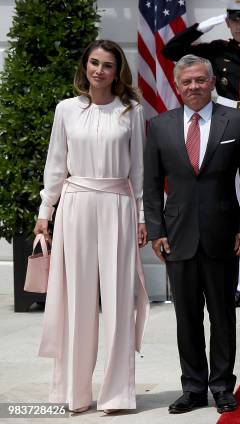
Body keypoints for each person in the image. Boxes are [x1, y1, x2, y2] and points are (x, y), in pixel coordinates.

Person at [33, 39, 149, 413]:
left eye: (108, 65)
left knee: (118, 300)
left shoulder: (131, 112)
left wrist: (142, 215)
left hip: (118, 203)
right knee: (76, 299)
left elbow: (139, 171)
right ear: (85, 66)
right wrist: (44, 212)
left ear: (118, 72)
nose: (99, 70)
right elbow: (56, 163)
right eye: (94, 63)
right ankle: (74, 392)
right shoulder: (66, 109)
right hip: (76, 203)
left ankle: (117, 393)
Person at [143, 54, 240, 414]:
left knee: (223, 316)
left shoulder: (237, 122)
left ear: (212, 83)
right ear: (177, 87)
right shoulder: (160, 126)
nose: (193, 87)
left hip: (223, 234)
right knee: (187, 317)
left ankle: (222, 386)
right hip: (177, 236)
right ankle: (192, 387)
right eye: (186, 82)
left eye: (199, 80)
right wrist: (156, 230)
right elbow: (149, 184)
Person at [162, 0, 240, 308]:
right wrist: (209, 22)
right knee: (222, 209)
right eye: (234, 20)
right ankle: (227, 279)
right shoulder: (216, 50)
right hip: (223, 133)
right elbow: (171, 51)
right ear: (229, 22)